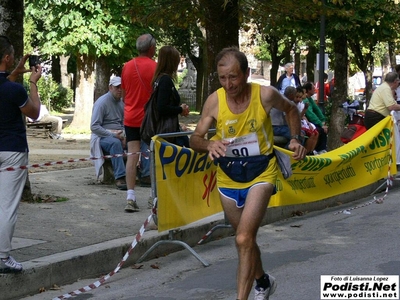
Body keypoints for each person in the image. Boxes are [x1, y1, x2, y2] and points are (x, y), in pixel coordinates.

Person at [190, 47, 306, 300]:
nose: (229, 84)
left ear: (246, 74)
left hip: (261, 172)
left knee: (243, 237)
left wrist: (295, 139)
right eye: (223, 78)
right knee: (245, 240)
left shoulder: (265, 94)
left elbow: (291, 110)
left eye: (233, 77)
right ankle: (262, 281)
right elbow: (195, 139)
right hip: (228, 176)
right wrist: (209, 144)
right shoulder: (214, 101)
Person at [0, 36, 42, 273]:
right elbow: (34, 113)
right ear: (6, 57)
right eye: (13, 55)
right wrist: (33, 83)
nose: (16, 58)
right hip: (12, 151)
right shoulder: (14, 90)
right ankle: (3, 257)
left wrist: (14, 73)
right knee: (6, 206)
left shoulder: (9, 84)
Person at [121, 33, 157, 212]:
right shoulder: (156, 67)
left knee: (132, 155)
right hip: (149, 119)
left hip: (130, 117)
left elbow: (125, 92)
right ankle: (153, 197)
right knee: (153, 155)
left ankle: (130, 197)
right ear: (151, 48)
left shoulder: (127, 66)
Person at [90, 76, 126, 190]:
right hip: (102, 137)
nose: (120, 90)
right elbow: (94, 126)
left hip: (120, 133)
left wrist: (125, 134)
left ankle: (145, 174)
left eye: (121, 87)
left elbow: (124, 121)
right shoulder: (102, 103)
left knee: (139, 139)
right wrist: (112, 134)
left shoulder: (121, 103)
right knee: (115, 143)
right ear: (110, 87)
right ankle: (120, 177)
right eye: (117, 87)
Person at [150, 45, 190, 146]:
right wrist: (180, 109)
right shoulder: (165, 81)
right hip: (167, 130)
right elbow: (162, 107)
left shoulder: (158, 79)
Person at [303, 82, 328, 154]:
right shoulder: (305, 100)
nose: (315, 89)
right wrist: (321, 124)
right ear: (308, 90)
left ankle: (320, 149)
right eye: (313, 88)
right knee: (318, 130)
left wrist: (323, 120)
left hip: (309, 121)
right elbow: (310, 114)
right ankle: (313, 150)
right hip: (306, 121)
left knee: (320, 130)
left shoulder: (310, 99)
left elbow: (317, 110)